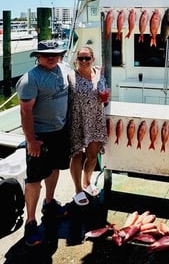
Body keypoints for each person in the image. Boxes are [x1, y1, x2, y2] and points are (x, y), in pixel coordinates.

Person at [16, 40, 71, 246]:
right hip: (41, 136)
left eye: (56, 54)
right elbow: (25, 111)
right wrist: (31, 140)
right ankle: (30, 222)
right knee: (34, 178)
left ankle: (49, 203)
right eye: (46, 54)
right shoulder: (30, 79)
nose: (51, 57)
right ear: (37, 56)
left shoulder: (63, 68)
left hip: (60, 132)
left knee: (54, 168)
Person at [68, 46, 109, 206]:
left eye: (87, 58)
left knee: (92, 156)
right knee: (77, 155)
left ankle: (87, 182)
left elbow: (104, 96)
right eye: (81, 58)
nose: (84, 61)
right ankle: (78, 190)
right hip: (77, 121)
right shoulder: (70, 76)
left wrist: (106, 95)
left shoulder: (99, 73)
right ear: (76, 60)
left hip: (96, 120)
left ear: (93, 59)